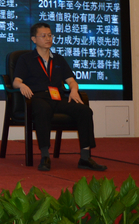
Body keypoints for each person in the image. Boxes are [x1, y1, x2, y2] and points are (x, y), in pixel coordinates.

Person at [13, 22, 107, 172]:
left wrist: (74, 90)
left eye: (50, 35)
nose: (48, 38)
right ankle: (45, 156)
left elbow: (71, 81)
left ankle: (85, 157)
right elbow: (16, 81)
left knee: (84, 111)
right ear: (34, 39)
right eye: (43, 36)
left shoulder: (59, 59)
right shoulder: (26, 59)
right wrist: (22, 85)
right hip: (38, 97)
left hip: (58, 97)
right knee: (43, 110)